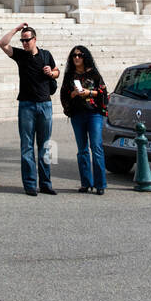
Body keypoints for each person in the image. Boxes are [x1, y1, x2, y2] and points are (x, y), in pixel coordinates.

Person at [0, 23, 60, 195]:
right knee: (27, 146)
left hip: (45, 104)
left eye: (27, 40)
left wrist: (52, 73)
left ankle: (46, 183)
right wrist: (16, 29)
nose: (24, 43)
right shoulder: (20, 55)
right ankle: (30, 185)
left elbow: (57, 71)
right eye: (22, 40)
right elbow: (2, 43)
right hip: (26, 105)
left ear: (35, 39)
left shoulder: (46, 55)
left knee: (46, 146)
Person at [60, 45, 109, 194]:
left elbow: (103, 93)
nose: (76, 58)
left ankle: (100, 184)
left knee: (96, 148)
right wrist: (74, 95)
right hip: (77, 115)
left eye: (80, 55)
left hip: (94, 114)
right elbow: (64, 95)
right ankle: (86, 183)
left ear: (85, 57)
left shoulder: (94, 74)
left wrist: (89, 92)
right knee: (82, 150)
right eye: (74, 55)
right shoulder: (69, 75)